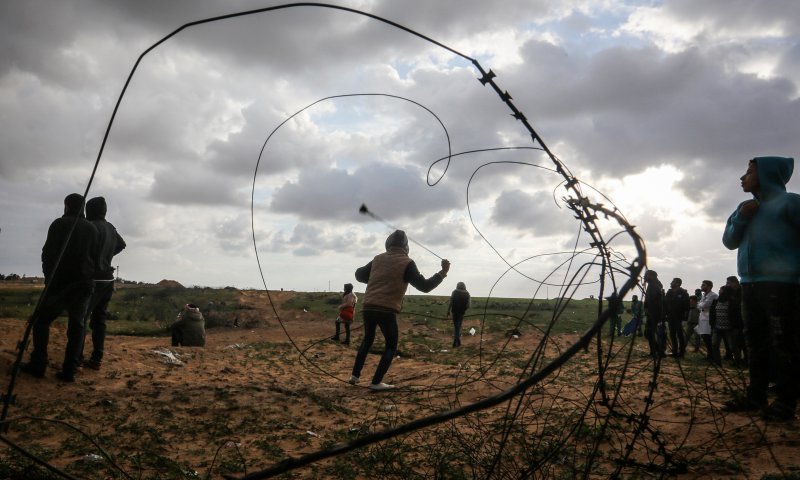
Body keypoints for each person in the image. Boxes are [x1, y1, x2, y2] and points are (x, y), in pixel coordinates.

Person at [722, 156, 800, 421]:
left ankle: (786, 402)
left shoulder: (791, 203)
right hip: (749, 284)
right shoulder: (744, 207)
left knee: (784, 342)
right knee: (755, 342)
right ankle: (755, 396)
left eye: (749, 171)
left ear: (767, 174)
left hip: (782, 285)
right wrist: (741, 218)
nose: (743, 177)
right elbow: (729, 241)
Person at [349, 230, 450, 391]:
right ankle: (376, 382)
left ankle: (354, 376)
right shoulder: (407, 263)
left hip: (368, 307)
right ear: (406, 247)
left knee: (367, 340)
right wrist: (443, 272)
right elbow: (424, 287)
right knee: (391, 346)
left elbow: (359, 275)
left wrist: (377, 277)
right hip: (387, 310)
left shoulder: (377, 259)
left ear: (388, 244)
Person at [21, 193, 98, 382]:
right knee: (77, 327)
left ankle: (38, 364)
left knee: (41, 321)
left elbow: (47, 254)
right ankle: (70, 370)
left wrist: (49, 278)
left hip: (60, 284)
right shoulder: (92, 229)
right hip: (84, 284)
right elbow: (94, 258)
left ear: (67, 206)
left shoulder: (59, 224)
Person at [81, 197, 126, 370]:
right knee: (99, 320)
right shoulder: (111, 228)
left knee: (81, 319)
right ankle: (96, 358)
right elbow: (122, 245)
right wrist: (107, 255)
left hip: (93, 279)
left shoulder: (89, 226)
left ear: (89, 210)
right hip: (108, 279)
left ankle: (76, 358)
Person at [710, 285, 738, 366]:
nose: (719, 291)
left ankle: (737, 362)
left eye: (721, 290)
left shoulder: (733, 302)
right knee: (714, 345)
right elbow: (712, 314)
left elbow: (735, 315)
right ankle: (717, 362)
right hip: (717, 327)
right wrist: (712, 324)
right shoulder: (716, 301)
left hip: (729, 328)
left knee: (732, 347)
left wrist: (735, 327)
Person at [664, 277, 690, 357]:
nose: (671, 283)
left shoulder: (683, 293)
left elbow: (687, 306)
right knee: (672, 334)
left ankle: (681, 352)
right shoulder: (669, 292)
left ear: (677, 283)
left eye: (673, 282)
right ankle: (674, 351)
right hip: (670, 317)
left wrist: (684, 318)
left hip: (679, 317)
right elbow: (665, 304)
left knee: (680, 335)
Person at [725, 275, 746, 367]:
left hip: (740, 320)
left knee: (741, 341)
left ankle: (745, 360)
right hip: (732, 320)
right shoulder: (730, 291)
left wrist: (731, 298)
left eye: (728, 283)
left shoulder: (741, 290)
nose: (727, 285)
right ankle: (737, 359)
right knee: (734, 342)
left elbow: (739, 303)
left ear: (735, 282)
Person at [643, 270, 665, 358]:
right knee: (649, 332)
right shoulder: (653, 285)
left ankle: (658, 351)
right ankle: (655, 351)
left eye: (646, 275)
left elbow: (652, 299)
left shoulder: (654, 286)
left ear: (652, 276)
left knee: (649, 332)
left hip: (654, 313)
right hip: (653, 312)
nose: (645, 277)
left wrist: (647, 308)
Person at [695, 280, 717, 361]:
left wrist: (700, 305)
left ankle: (711, 356)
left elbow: (704, 305)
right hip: (703, 318)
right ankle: (709, 355)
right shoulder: (704, 295)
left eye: (704, 285)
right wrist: (700, 305)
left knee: (708, 337)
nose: (701, 286)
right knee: (704, 336)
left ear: (709, 286)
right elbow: (699, 305)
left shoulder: (713, 295)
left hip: (709, 319)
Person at [447, 282, 471, 347]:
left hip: (454, 312)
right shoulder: (467, 293)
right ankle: (458, 340)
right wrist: (464, 309)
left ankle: (455, 341)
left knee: (456, 327)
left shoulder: (454, 292)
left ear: (457, 286)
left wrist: (448, 311)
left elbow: (451, 302)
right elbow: (468, 305)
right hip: (461, 313)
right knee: (458, 326)